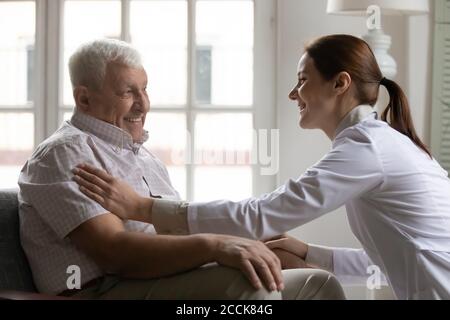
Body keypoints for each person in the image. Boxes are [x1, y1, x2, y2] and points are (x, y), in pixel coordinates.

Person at [73, 34, 450, 300]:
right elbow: (388, 261)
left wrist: (144, 208)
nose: (293, 93)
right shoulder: (385, 142)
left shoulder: (368, 147)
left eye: (302, 81)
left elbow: (262, 214)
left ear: (341, 84)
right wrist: (309, 253)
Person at [17, 38, 344, 300]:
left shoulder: (144, 159)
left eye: (144, 89)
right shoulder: (64, 154)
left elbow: (173, 231)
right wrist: (216, 245)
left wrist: (245, 236)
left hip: (161, 278)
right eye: (127, 91)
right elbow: (114, 253)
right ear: (84, 99)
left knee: (315, 281)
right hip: (104, 288)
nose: (143, 103)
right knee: (256, 287)